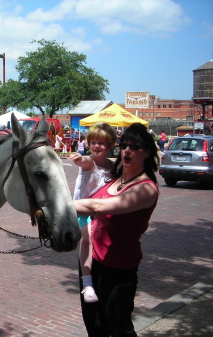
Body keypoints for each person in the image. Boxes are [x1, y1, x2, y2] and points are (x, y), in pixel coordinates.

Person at [73, 123, 159, 337]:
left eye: (135, 147)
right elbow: (91, 164)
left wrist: (58, 206)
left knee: (120, 329)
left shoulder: (146, 188)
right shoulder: (115, 175)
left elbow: (98, 207)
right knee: (95, 326)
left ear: (147, 152)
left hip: (118, 268)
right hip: (92, 262)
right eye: (124, 145)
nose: (127, 150)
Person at [69, 123, 117, 304]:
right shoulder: (90, 162)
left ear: (111, 144)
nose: (97, 146)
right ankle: (87, 283)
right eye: (94, 142)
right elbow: (83, 162)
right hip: (85, 211)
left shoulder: (112, 166)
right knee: (88, 238)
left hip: (103, 212)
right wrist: (77, 158)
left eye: (102, 143)